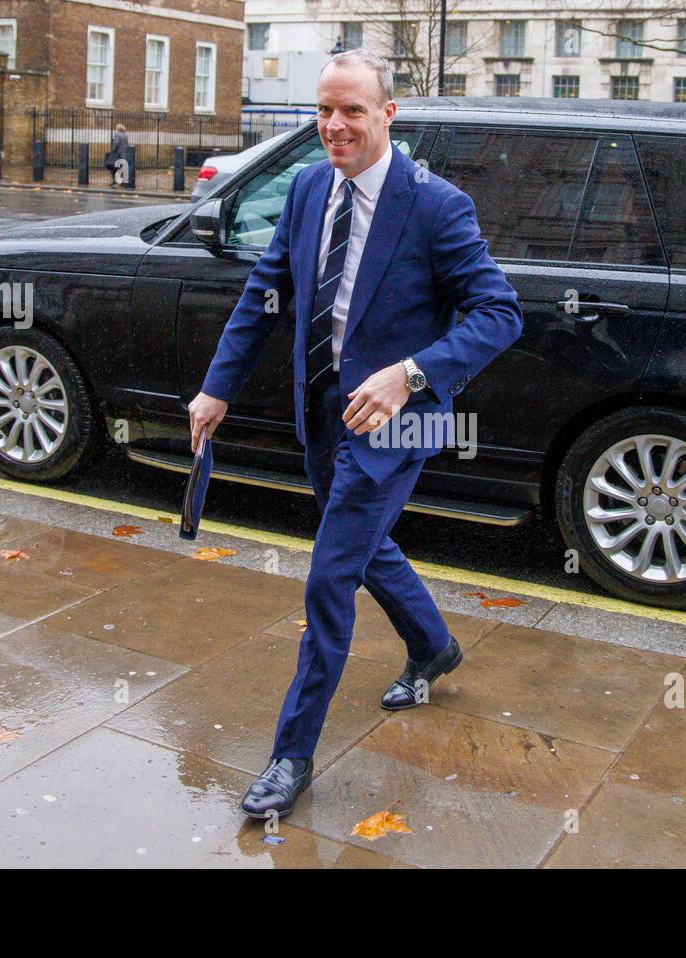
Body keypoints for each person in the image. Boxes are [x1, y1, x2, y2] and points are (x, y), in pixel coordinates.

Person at [188, 48, 523, 819]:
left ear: (388, 116)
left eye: (353, 112)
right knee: (367, 547)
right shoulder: (308, 188)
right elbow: (263, 292)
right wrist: (217, 389)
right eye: (324, 111)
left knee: (329, 579)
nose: (334, 126)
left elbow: (499, 313)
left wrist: (410, 375)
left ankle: (289, 756)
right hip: (322, 415)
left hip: (391, 427)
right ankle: (434, 647)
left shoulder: (436, 205)